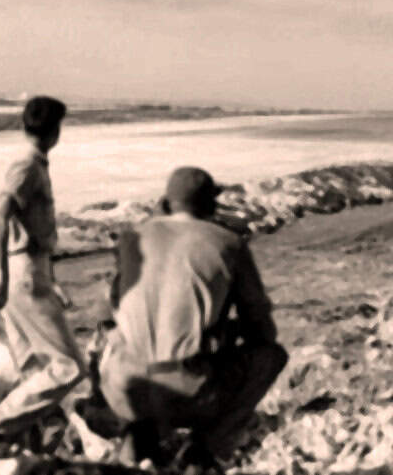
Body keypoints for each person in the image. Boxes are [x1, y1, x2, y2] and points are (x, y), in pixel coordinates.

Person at [96, 166, 288, 469]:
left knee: (134, 350)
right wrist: (223, 334)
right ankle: (205, 450)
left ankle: (137, 434)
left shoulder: (131, 238)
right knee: (270, 357)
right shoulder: (227, 243)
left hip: (122, 388)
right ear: (211, 205)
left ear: (167, 201)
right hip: (184, 393)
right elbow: (262, 331)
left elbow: (109, 314)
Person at [0, 96, 85, 441]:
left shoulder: (32, 164)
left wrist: (52, 278)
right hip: (24, 273)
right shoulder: (27, 166)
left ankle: (28, 439)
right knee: (68, 367)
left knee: (33, 368)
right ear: (55, 131)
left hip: (31, 269)